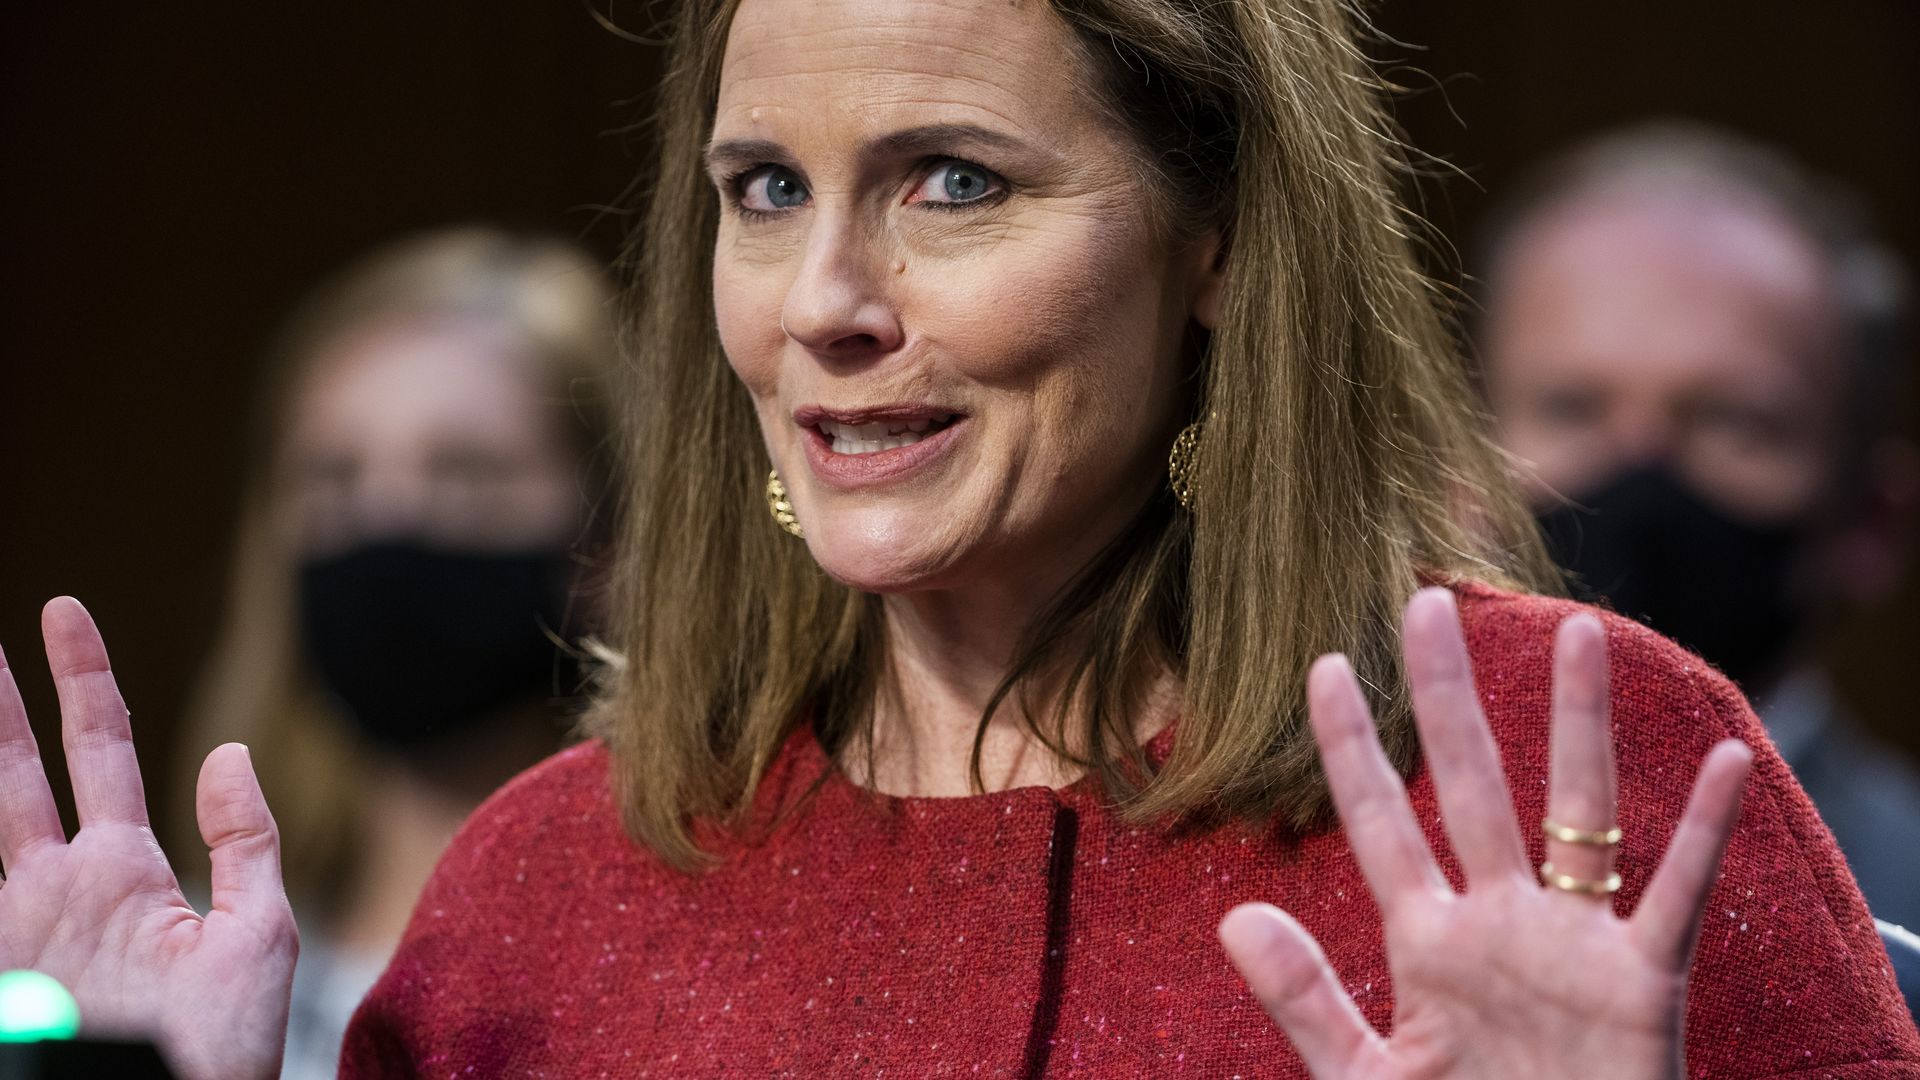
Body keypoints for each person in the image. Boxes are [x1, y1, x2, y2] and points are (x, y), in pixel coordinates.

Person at [1, 2, 1917, 1078]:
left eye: (952, 182)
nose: (825, 302)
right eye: (767, 189)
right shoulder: (542, 900)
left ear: (1218, 241)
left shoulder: (1576, 779)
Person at [169, 228, 621, 1078]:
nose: (386, 522)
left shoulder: (684, 984)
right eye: (332, 479)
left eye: (468, 475)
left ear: (607, 541)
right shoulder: (183, 977)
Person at [1474, 123, 1920, 932]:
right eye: (1572, 408)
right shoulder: (1303, 880)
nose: (1642, 470)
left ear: (1869, 524)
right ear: (1455, 478)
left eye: (1732, 421)